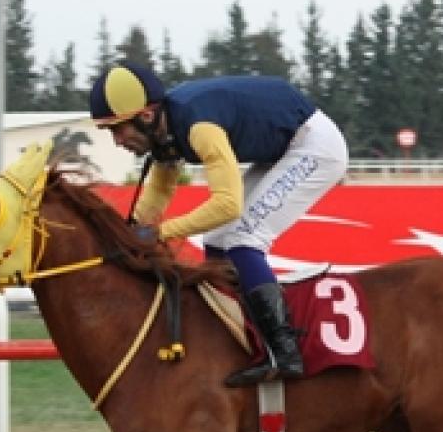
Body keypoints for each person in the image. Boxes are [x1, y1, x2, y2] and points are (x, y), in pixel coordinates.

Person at [88, 62, 349, 387]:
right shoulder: (164, 130)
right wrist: (129, 234)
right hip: (281, 148)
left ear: (146, 115)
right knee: (217, 239)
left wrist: (159, 233)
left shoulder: (199, 127)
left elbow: (228, 204)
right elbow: (159, 191)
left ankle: (285, 352)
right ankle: (238, 337)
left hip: (315, 147)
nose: (117, 141)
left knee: (243, 237)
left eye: (117, 129)